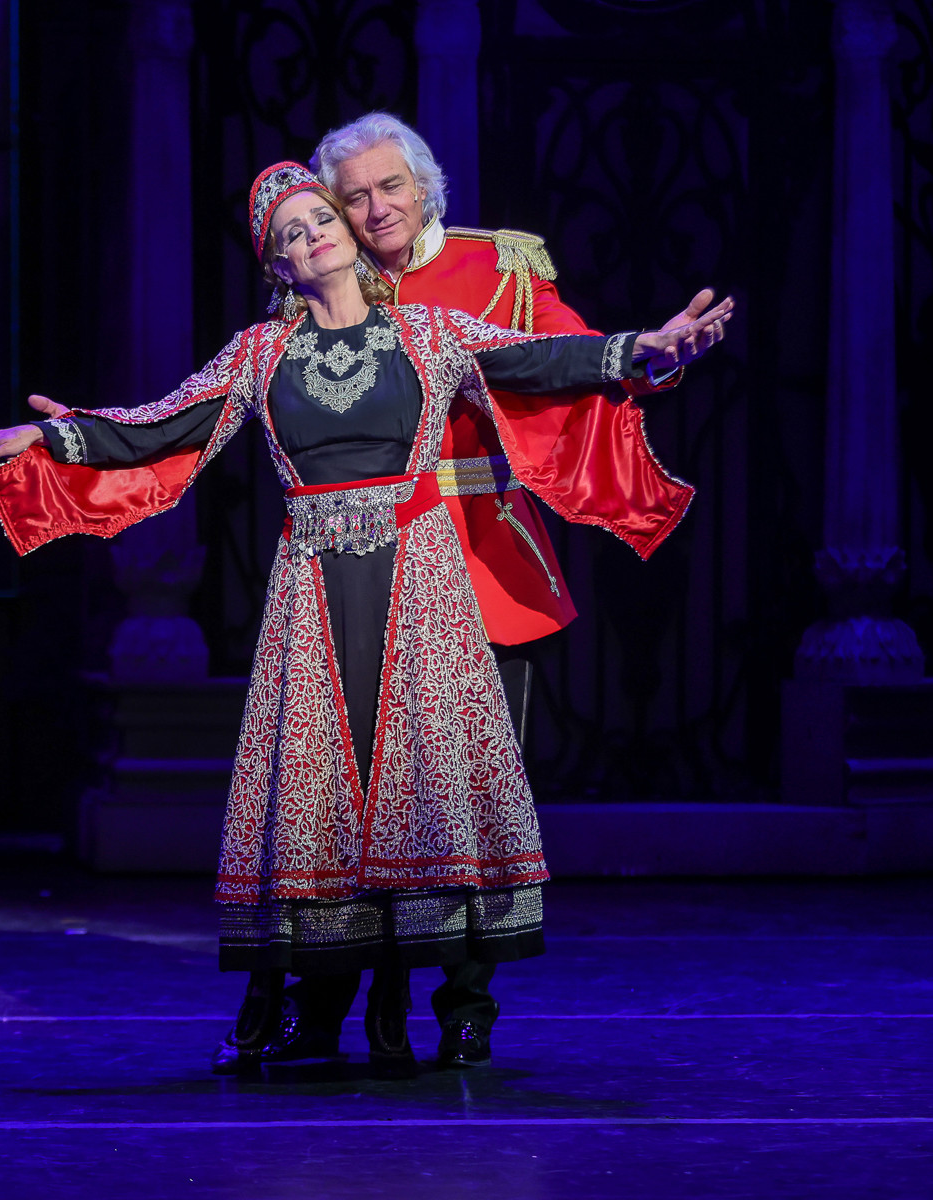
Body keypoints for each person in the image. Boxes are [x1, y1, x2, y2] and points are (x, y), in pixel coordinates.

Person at [0, 162, 732, 1077]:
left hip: (421, 585)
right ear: (277, 266)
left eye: (320, 217)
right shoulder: (258, 355)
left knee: (423, 784)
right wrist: (52, 435)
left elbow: (543, 360)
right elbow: (160, 426)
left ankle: (441, 1006)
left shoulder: (431, 333)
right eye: (290, 233)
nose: (313, 234)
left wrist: (646, 349)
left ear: (348, 233)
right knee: (321, 790)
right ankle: (309, 1006)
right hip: (312, 591)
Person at [307, 112, 717, 1067]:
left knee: (479, 797)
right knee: (360, 794)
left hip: (484, 558)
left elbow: (575, 355)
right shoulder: (325, 284)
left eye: (390, 187)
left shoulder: (499, 267)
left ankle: (466, 1002)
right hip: (366, 563)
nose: (376, 210)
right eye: (355, 197)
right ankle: (362, 991)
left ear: (424, 186)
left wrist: (651, 356)